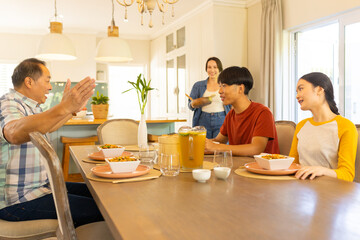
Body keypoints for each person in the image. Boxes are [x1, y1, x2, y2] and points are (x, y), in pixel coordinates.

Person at [0, 58, 103, 227]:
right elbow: (13, 132)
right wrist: (64, 106)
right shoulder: (8, 102)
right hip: (19, 201)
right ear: (29, 82)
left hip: (40, 188)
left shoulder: (31, 106)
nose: (50, 87)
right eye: (47, 81)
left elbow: (49, 127)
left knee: (99, 193)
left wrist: (71, 110)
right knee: (101, 209)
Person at [289, 72, 358, 182]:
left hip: (330, 191)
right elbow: (293, 165)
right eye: (296, 92)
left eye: (301, 89)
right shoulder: (301, 126)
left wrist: (322, 170)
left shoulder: (346, 126)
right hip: (301, 188)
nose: (297, 96)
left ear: (320, 90)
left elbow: (347, 175)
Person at [205, 66, 279, 156]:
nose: (219, 91)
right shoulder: (230, 115)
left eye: (224, 86)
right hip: (239, 166)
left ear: (240, 89)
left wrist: (217, 147)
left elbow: (256, 149)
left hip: (263, 168)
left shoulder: (263, 113)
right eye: (220, 86)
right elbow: (218, 141)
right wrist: (200, 142)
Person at [188, 57, 231, 138]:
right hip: (203, 120)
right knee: (202, 147)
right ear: (206, 69)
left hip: (221, 119)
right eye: (209, 67)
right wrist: (194, 103)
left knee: (219, 147)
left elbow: (231, 105)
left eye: (215, 67)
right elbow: (190, 105)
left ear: (220, 69)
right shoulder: (198, 86)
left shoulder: (226, 85)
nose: (212, 70)